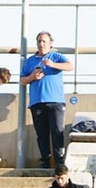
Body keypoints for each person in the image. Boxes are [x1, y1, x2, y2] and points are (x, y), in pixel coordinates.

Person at [19, 33, 72, 170]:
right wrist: (32, 77)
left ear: (50, 43)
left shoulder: (56, 56)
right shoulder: (30, 61)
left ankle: (59, 161)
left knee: (57, 131)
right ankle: (45, 161)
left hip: (56, 101)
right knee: (41, 134)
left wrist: (53, 64)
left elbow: (70, 66)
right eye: (39, 41)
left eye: (44, 41)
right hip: (37, 102)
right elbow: (22, 81)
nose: (41, 44)